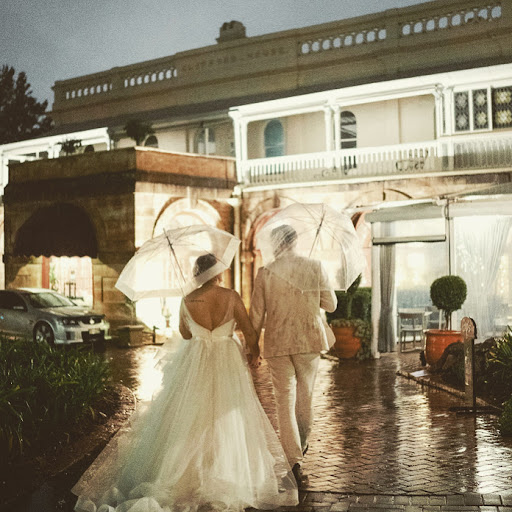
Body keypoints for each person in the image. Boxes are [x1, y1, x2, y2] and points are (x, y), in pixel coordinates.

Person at [72, 253, 298, 512]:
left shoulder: (188, 299)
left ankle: (183, 473)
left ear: (197, 273)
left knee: (191, 413)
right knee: (228, 413)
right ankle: (227, 471)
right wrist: (254, 353)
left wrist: (200, 327)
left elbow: (184, 333)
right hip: (227, 361)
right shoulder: (231, 296)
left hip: (196, 361)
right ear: (217, 272)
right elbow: (248, 330)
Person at [250, 225, 337, 487]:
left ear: (276, 244)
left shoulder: (265, 273)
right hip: (308, 339)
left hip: (277, 342)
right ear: (295, 241)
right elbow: (331, 304)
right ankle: (302, 442)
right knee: (305, 396)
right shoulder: (315, 266)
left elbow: (256, 315)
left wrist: (252, 347)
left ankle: (293, 459)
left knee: (283, 401)